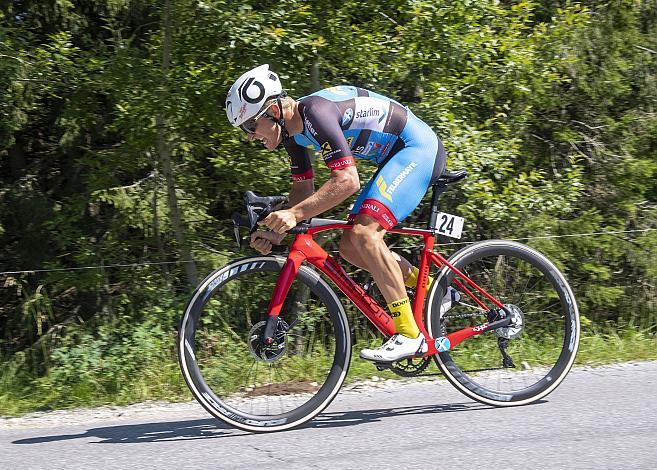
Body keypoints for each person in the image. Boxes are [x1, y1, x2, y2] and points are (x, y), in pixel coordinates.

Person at [226, 64, 457, 362]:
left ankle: (409, 334)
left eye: (249, 126)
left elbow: (347, 181)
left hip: (417, 149)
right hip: (395, 158)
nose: (249, 136)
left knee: (364, 234)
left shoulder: (316, 112)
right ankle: (435, 289)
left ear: (272, 110)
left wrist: (293, 215)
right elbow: (302, 193)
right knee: (350, 247)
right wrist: (273, 230)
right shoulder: (293, 135)